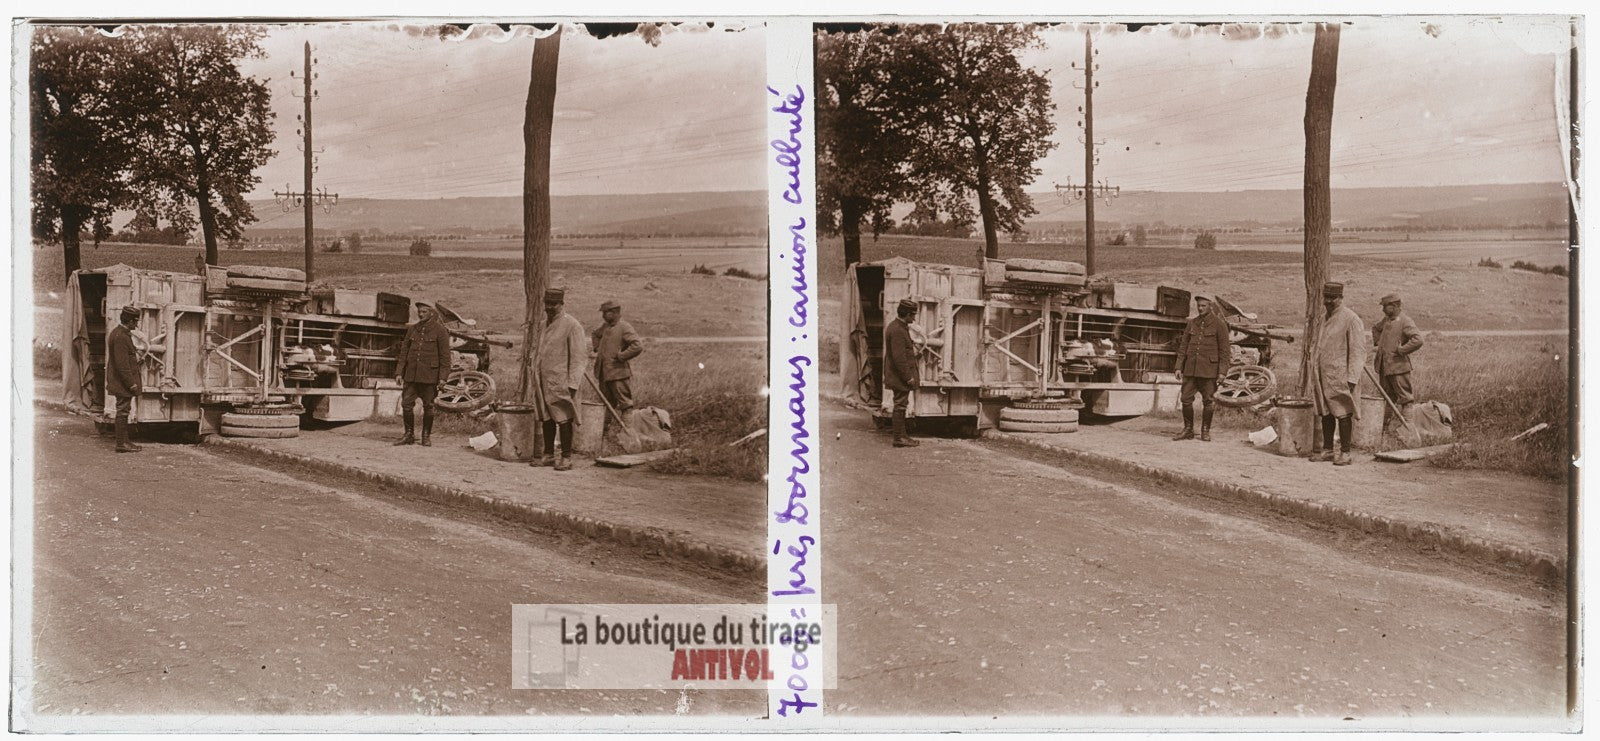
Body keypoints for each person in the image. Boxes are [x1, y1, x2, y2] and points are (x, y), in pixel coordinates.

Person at [1309, 282, 1368, 466]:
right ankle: (1327, 450)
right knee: (1326, 411)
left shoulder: (1351, 319)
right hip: (1323, 375)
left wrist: (1352, 377)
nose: (1327, 301)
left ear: (1340, 298)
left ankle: (1345, 452)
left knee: (1343, 412)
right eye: (1325, 297)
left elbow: (1358, 351)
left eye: (1331, 298)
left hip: (1341, 376)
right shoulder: (1323, 317)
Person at [534, 288, 588, 471]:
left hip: (561, 381)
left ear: (561, 304)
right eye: (547, 304)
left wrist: (573, 383)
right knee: (546, 417)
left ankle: (566, 457)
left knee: (564, 418)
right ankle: (549, 454)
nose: (549, 307)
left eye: (553, 304)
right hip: (544, 380)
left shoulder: (572, 325)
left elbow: (579, 357)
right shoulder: (543, 324)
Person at [1171, 294, 1232, 442]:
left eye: (1203, 305)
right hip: (1191, 369)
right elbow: (1183, 346)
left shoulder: (1219, 324)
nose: (1200, 308)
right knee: (1186, 399)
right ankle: (1188, 430)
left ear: (1210, 306)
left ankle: (1205, 431)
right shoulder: (1192, 323)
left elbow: (1225, 351)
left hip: (1209, 370)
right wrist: (1178, 366)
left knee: (1208, 401)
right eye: (1198, 305)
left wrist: (1222, 372)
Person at [394, 300, 452, 446]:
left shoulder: (440, 330)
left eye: (424, 312)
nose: (421, 314)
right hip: (411, 375)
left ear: (431, 313)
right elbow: (404, 352)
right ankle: (409, 435)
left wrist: (443, 378)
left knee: (429, 406)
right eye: (419, 312)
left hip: (429, 376)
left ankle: (426, 436)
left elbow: (445, 357)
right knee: (406, 404)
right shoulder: (412, 329)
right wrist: (399, 372)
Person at [1371, 293, 1424, 423]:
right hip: (1385, 367)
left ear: (1394, 306)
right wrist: (1379, 344)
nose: (1383, 309)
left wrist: (1401, 350)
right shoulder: (1386, 320)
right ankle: (1384, 430)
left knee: (1406, 399)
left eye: (1385, 306)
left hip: (1399, 368)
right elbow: (1375, 329)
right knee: (1387, 398)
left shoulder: (1405, 321)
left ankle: (1409, 430)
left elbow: (1418, 340)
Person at [592, 300, 643, 415]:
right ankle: (604, 431)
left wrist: (622, 356)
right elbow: (595, 334)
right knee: (606, 404)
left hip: (618, 373)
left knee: (625, 404)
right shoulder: (605, 326)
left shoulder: (624, 327)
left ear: (614, 312)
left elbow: (637, 346)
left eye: (605, 313)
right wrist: (597, 348)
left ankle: (628, 430)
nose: (603, 316)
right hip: (604, 373)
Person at [883, 298, 921, 448]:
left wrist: (915, 356)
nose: (914, 318)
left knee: (901, 405)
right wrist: (908, 377)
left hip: (897, 375)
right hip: (899, 377)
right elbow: (899, 358)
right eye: (912, 315)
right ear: (906, 314)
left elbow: (901, 354)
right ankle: (899, 438)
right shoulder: (898, 330)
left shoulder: (898, 326)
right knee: (900, 405)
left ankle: (902, 436)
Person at [105, 306, 143, 453]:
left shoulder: (119, 333)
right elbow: (122, 365)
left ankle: (125, 441)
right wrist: (131, 383)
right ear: (130, 321)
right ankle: (121, 444)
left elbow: (125, 360)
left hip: (120, 381)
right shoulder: (121, 336)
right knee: (122, 411)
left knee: (124, 410)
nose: (137, 324)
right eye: (135, 321)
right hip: (122, 382)